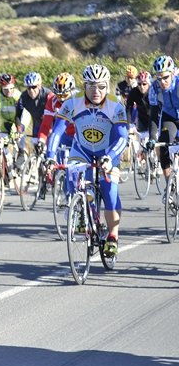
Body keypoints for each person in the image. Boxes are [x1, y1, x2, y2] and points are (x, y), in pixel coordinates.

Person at [46, 64, 128, 256]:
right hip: (81, 150)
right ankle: (82, 210)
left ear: (107, 86)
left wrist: (110, 158)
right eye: (91, 86)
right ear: (84, 86)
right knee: (73, 177)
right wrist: (49, 157)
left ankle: (113, 236)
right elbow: (57, 131)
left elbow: (122, 137)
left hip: (108, 152)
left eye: (101, 86)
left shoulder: (115, 105)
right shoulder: (72, 102)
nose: (96, 91)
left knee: (109, 192)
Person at [147, 55, 179, 187]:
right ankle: (170, 186)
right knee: (163, 148)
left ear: (172, 74)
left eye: (165, 77)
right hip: (169, 117)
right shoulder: (154, 89)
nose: (162, 82)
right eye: (159, 78)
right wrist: (152, 138)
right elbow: (153, 115)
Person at [37, 72, 77, 162]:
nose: (62, 99)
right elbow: (46, 125)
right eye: (59, 95)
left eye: (64, 95)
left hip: (80, 136)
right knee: (59, 163)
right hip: (64, 135)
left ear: (72, 91)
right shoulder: (52, 101)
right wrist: (41, 140)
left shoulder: (80, 100)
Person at [15, 71, 51, 148]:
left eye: (34, 87)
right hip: (37, 122)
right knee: (37, 148)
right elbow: (18, 114)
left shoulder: (48, 94)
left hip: (51, 123)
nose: (31, 90)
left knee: (50, 148)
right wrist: (19, 130)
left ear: (39, 86)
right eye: (28, 88)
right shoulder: (24, 97)